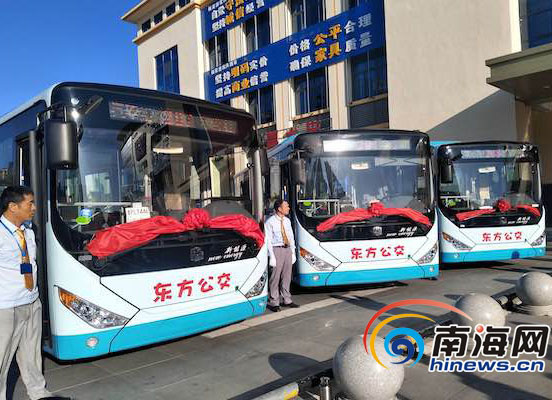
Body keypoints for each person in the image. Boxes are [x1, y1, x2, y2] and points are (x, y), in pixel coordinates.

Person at [0, 186, 69, 400]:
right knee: (2, 358)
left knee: (31, 353)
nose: (34, 207)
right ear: (13, 206)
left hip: (31, 301)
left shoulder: (28, 230)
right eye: (29, 203)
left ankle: (39, 393)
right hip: (6, 306)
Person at [265, 199, 299, 312]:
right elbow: (268, 240)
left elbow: (291, 236)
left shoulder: (287, 221)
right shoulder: (270, 222)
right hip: (277, 250)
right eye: (286, 206)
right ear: (279, 209)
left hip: (287, 249)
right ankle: (274, 301)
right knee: (275, 276)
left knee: (287, 276)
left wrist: (293, 251)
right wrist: (271, 255)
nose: (288, 208)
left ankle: (287, 299)